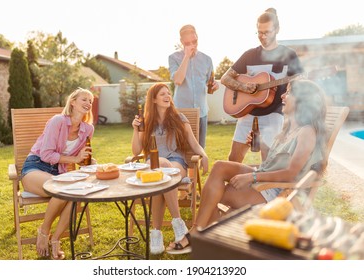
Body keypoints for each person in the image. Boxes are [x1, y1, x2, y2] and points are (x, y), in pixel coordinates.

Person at [167, 79, 327, 254]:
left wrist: (252, 177)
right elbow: (270, 164)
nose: (283, 95)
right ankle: (202, 233)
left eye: (288, 92)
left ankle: (200, 234)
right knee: (220, 168)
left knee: (212, 197)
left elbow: (291, 174)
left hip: (280, 194)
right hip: (267, 181)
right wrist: (262, 146)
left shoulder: (307, 132)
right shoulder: (289, 128)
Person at [131, 83, 208, 254]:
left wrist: (205, 155)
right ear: (154, 99)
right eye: (162, 94)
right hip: (154, 165)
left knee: (163, 170)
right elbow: (136, 151)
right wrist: (135, 130)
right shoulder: (146, 122)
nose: (168, 97)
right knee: (161, 173)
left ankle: (156, 233)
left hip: (176, 163)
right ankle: (177, 224)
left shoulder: (179, 118)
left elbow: (194, 143)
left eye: (168, 93)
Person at [221, 8, 303, 162]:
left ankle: (265, 186)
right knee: (233, 159)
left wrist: (292, 91)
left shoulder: (288, 55)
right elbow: (225, 78)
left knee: (268, 160)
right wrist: (244, 87)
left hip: (275, 114)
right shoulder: (249, 55)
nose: (263, 36)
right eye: (259, 32)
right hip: (247, 113)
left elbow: (299, 84)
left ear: (277, 30)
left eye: (267, 32)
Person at [21, 88, 95, 259]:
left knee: (76, 197)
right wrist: (75, 159)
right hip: (36, 168)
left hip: (58, 173)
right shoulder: (58, 121)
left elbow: (84, 156)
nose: (88, 103)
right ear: (73, 102)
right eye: (84, 99)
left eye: (90, 101)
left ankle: (56, 239)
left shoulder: (87, 129)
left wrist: (88, 161)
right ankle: (44, 230)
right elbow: (46, 154)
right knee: (64, 189)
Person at [169, 24, 219, 149]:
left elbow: (209, 84)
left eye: (195, 41)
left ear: (198, 37)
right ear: (181, 42)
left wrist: (214, 85)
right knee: (182, 151)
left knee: (200, 151)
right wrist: (186, 56)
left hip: (201, 112)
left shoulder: (207, 59)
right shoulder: (173, 58)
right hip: (181, 113)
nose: (192, 45)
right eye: (188, 43)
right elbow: (178, 80)